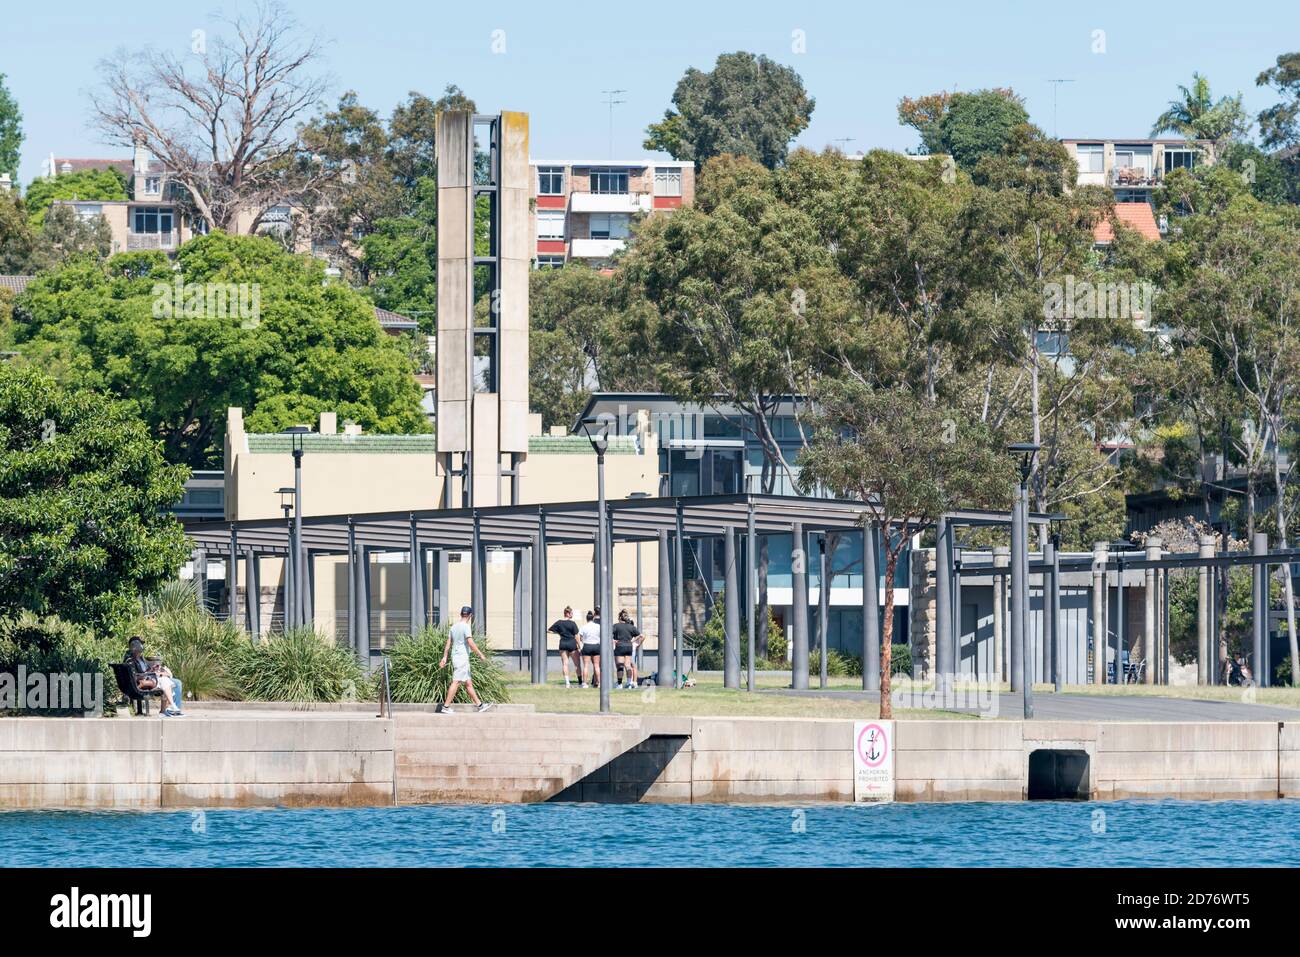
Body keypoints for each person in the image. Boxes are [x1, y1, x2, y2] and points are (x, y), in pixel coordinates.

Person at [436, 606, 493, 714]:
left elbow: (448, 643)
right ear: (470, 615)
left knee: (468, 683)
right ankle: (446, 707)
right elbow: (470, 642)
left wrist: (444, 657)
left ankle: (480, 705)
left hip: (455, 657)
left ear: (461, 614)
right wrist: (480, 655)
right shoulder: (466, 627)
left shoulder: (454, 627)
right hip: (461, 658)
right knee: (456, 682)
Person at [123, 637, 182, 716]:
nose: (142, 646)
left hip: (151, 678)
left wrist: (152, 669)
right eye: (140, 644)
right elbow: (135, 675)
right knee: (173, 682)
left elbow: (146, 670)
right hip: (146, 681)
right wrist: (154, 674)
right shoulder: (131, 660)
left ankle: (172, 709)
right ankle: (172, 709)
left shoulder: (141, 658)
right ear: (135, 646)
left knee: (176, 682)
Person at [548, 606, 582, 688]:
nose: (572, 615)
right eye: (571, 613)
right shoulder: (573, 623)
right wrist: (579, 645)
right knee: (577, 664)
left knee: (565, 664)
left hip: (563, 643)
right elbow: (577, 635)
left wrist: (559, 633)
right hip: (572, 644)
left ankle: (567, 683)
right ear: (568, 613)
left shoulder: (559, 622)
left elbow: (549, 630)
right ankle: (580, 682)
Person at [611, 609, 642, 690]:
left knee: (620, 666)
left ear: (620, 618)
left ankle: (620, 684)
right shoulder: (631, 626)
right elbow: (640, 635)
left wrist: (613, 640)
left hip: (620, 646)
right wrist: (632, 641)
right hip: (629, 647)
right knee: (628, 665)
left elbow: (608, 633)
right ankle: (629, 682)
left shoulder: (616, 626)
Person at [579, 608, 602, 689]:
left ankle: (584, 683)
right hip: (596, 646)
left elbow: (580, 638)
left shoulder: (583, 627)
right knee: (597, 666)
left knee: (586, 665)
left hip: (587, 646)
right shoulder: (598, 626)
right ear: (593, 618)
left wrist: (584, 642)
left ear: (586, 618)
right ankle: (599, 683)